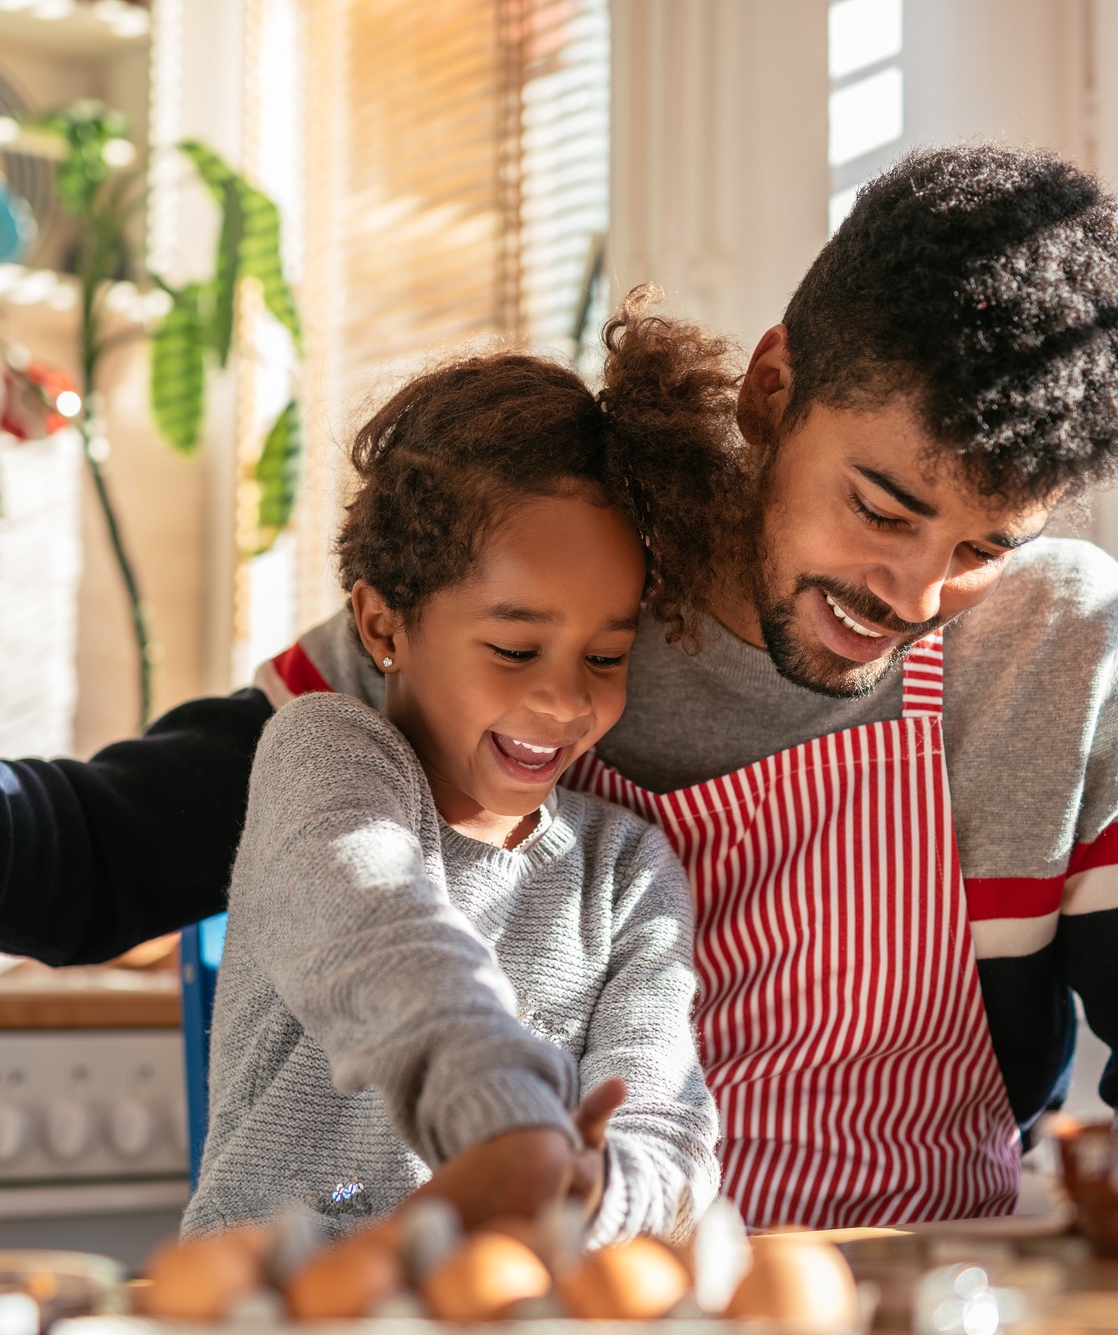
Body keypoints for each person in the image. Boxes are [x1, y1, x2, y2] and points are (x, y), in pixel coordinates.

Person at [0, 145, 1118, 1229]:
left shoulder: (1072, 651)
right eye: (883, 506)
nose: (914, 600)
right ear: (777, 385)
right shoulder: (533, 611)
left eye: (983, 548)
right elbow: (96, 854)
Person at [184, 299, 725, 1241]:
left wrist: (596, 1189)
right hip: (282, 1302)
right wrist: (508, 1121)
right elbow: (390, 944)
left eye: (605, 657)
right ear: (384, 625)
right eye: (515, 650)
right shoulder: (323, 757)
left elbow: (666, 1120)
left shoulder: (628, 872)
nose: (566, 703)